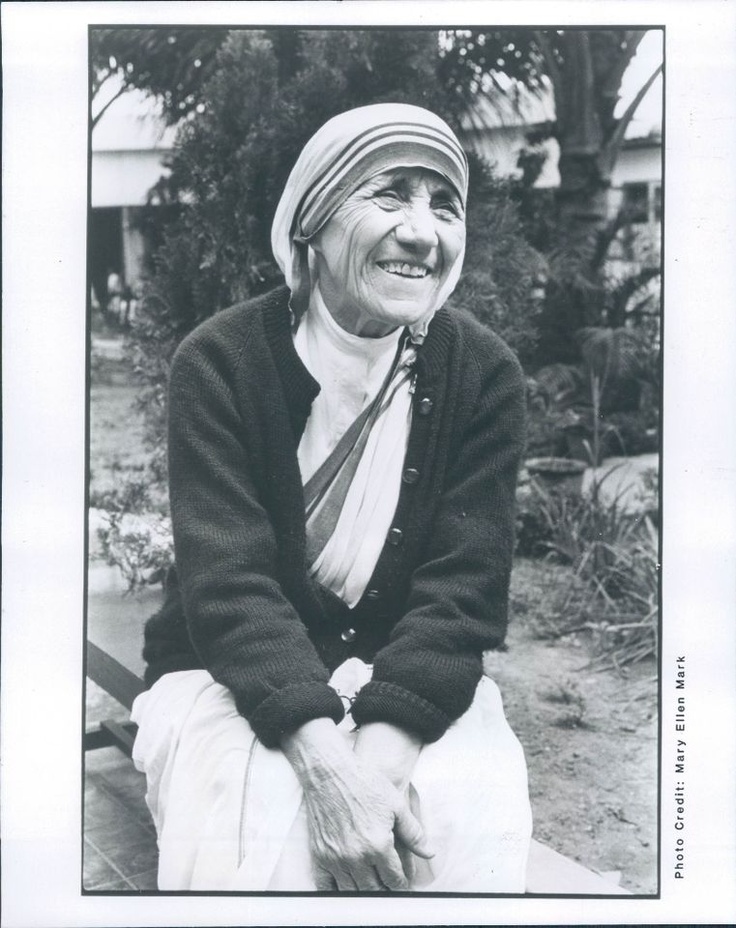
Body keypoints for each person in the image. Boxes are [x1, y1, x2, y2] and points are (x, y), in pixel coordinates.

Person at [132, 103, 532, 893]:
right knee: (257, 818)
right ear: (313, 216)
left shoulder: (481, 374)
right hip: (229, 670)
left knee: (461, 804)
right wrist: (325, 766)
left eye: (444, 206)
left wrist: (378, 760)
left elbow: (463, 589)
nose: (423, 232)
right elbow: (230, 586)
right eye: (390, 195)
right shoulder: (219, 362)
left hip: (402, 669)